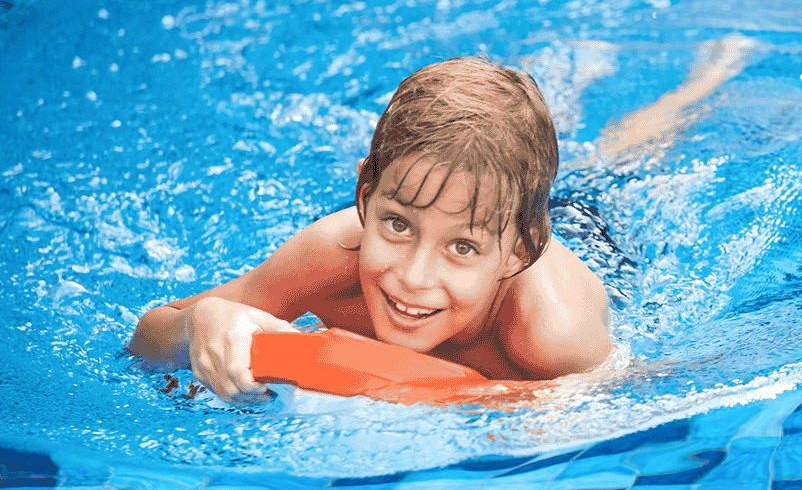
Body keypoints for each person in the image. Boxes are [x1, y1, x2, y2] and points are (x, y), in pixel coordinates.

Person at [130, 56, 613, 402]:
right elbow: (145, 339)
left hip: (585, 236)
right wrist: (200, 322)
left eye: (461, 247)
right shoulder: (330, 254)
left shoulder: (552, 335)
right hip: (499, 212)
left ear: (520, 252)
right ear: (365, 196)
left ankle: (660, 91)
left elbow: (626, 403)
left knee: (612, 165)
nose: (415, 278)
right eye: (398, 225)